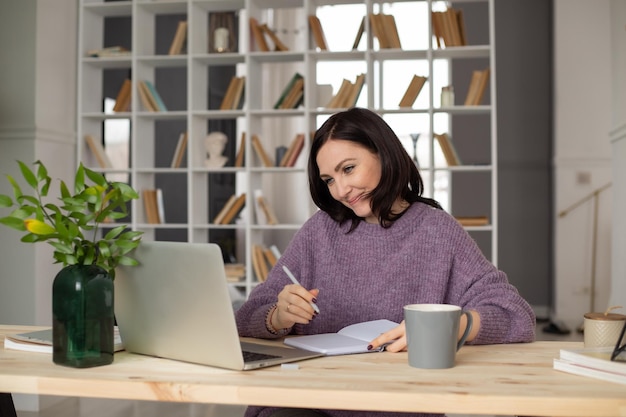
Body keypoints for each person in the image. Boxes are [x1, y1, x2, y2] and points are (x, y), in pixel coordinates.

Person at [235, 107, 536, 417]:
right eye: (328, 179)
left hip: (395, 403)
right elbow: (243, 319)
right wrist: (276, 316)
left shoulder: (437, 232)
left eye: (348, 169)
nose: (340, 190)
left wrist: (448, 326)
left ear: (384, 153)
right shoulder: (319, 230)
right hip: (309, 401)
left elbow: (516, 316)